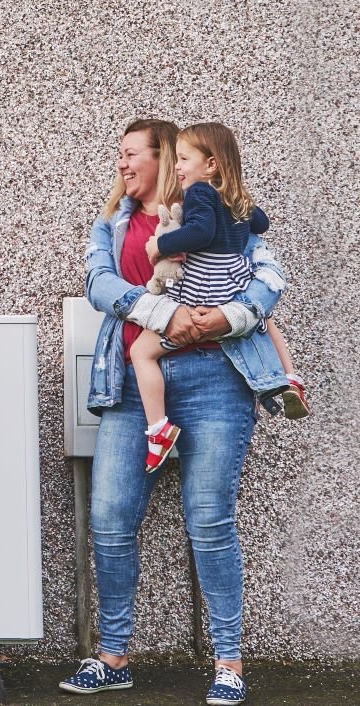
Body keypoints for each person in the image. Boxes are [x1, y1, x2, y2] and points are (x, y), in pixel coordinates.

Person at [59, 119, 290, 706]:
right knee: (110, 518)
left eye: (132, 154)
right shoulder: (112, 225)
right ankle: (113, 658)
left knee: (209, 521)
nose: (121, 164)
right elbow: (99, 283)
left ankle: (229, 664)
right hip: (137, 383)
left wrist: (226, 318)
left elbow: (268, 278)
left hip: (217, 377)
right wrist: (161, 316)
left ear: (167, 160)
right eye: (119, 155)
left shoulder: (217, 213)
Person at [129, 122, 309, 473]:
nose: (177, 167)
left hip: (203, 285)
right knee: (262, 319)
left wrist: (159, 245)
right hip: (234, 279)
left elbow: (201, 231)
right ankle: (291, 379)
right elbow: (261, 224)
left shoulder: (199, 193)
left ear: (210, 164)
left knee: (141, 351)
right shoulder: (235, 194)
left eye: (183, 159)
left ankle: (158, 430)